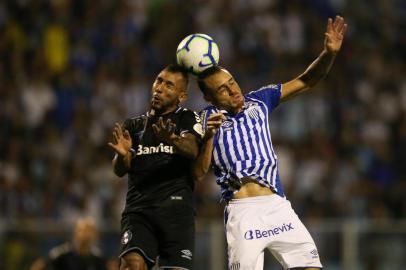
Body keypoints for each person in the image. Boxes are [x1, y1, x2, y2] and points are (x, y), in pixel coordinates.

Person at [193, 16, 347, 270]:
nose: (233, 90)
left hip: (277, 205)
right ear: (209, 97)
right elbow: (198, 171)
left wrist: (328, 54)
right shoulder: (202, 120)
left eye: (232, 82)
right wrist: (207, 136)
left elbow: (307, 80)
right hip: (243, 212)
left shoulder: (260, 100)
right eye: (222, 90)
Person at [108, 64, 202, 270]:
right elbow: (119, 171)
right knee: (131, 264)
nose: (159, 88)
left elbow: (193, 149)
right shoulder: (133, 125)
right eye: (159, 81)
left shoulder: (187, 118)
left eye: (169, 85)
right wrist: (122, 157)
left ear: (182, 96)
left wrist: (172, 138)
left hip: (177, 212)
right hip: (139, 211)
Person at [30, 217, 107, 270]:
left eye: (90, 230)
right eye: (83, 230)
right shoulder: (61, 254)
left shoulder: (98, 258)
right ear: (75, 233)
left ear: (95, 235)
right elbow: (38, 266)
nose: (86, 234)